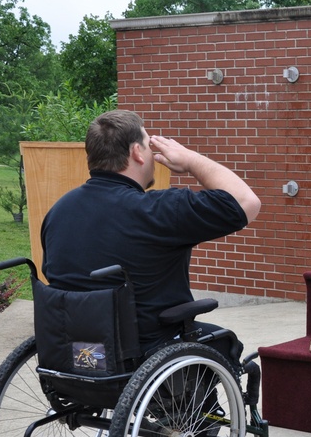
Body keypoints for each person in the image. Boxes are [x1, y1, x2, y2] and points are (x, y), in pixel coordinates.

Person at [41, 109, 261, 360]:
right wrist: (190, 160)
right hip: (145, 353)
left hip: (74, 353)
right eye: (148, 146)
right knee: (224, 341)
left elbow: (53, 275)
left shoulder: (58, 211)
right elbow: (246, 202)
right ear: (136, 152)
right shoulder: (158, 210)